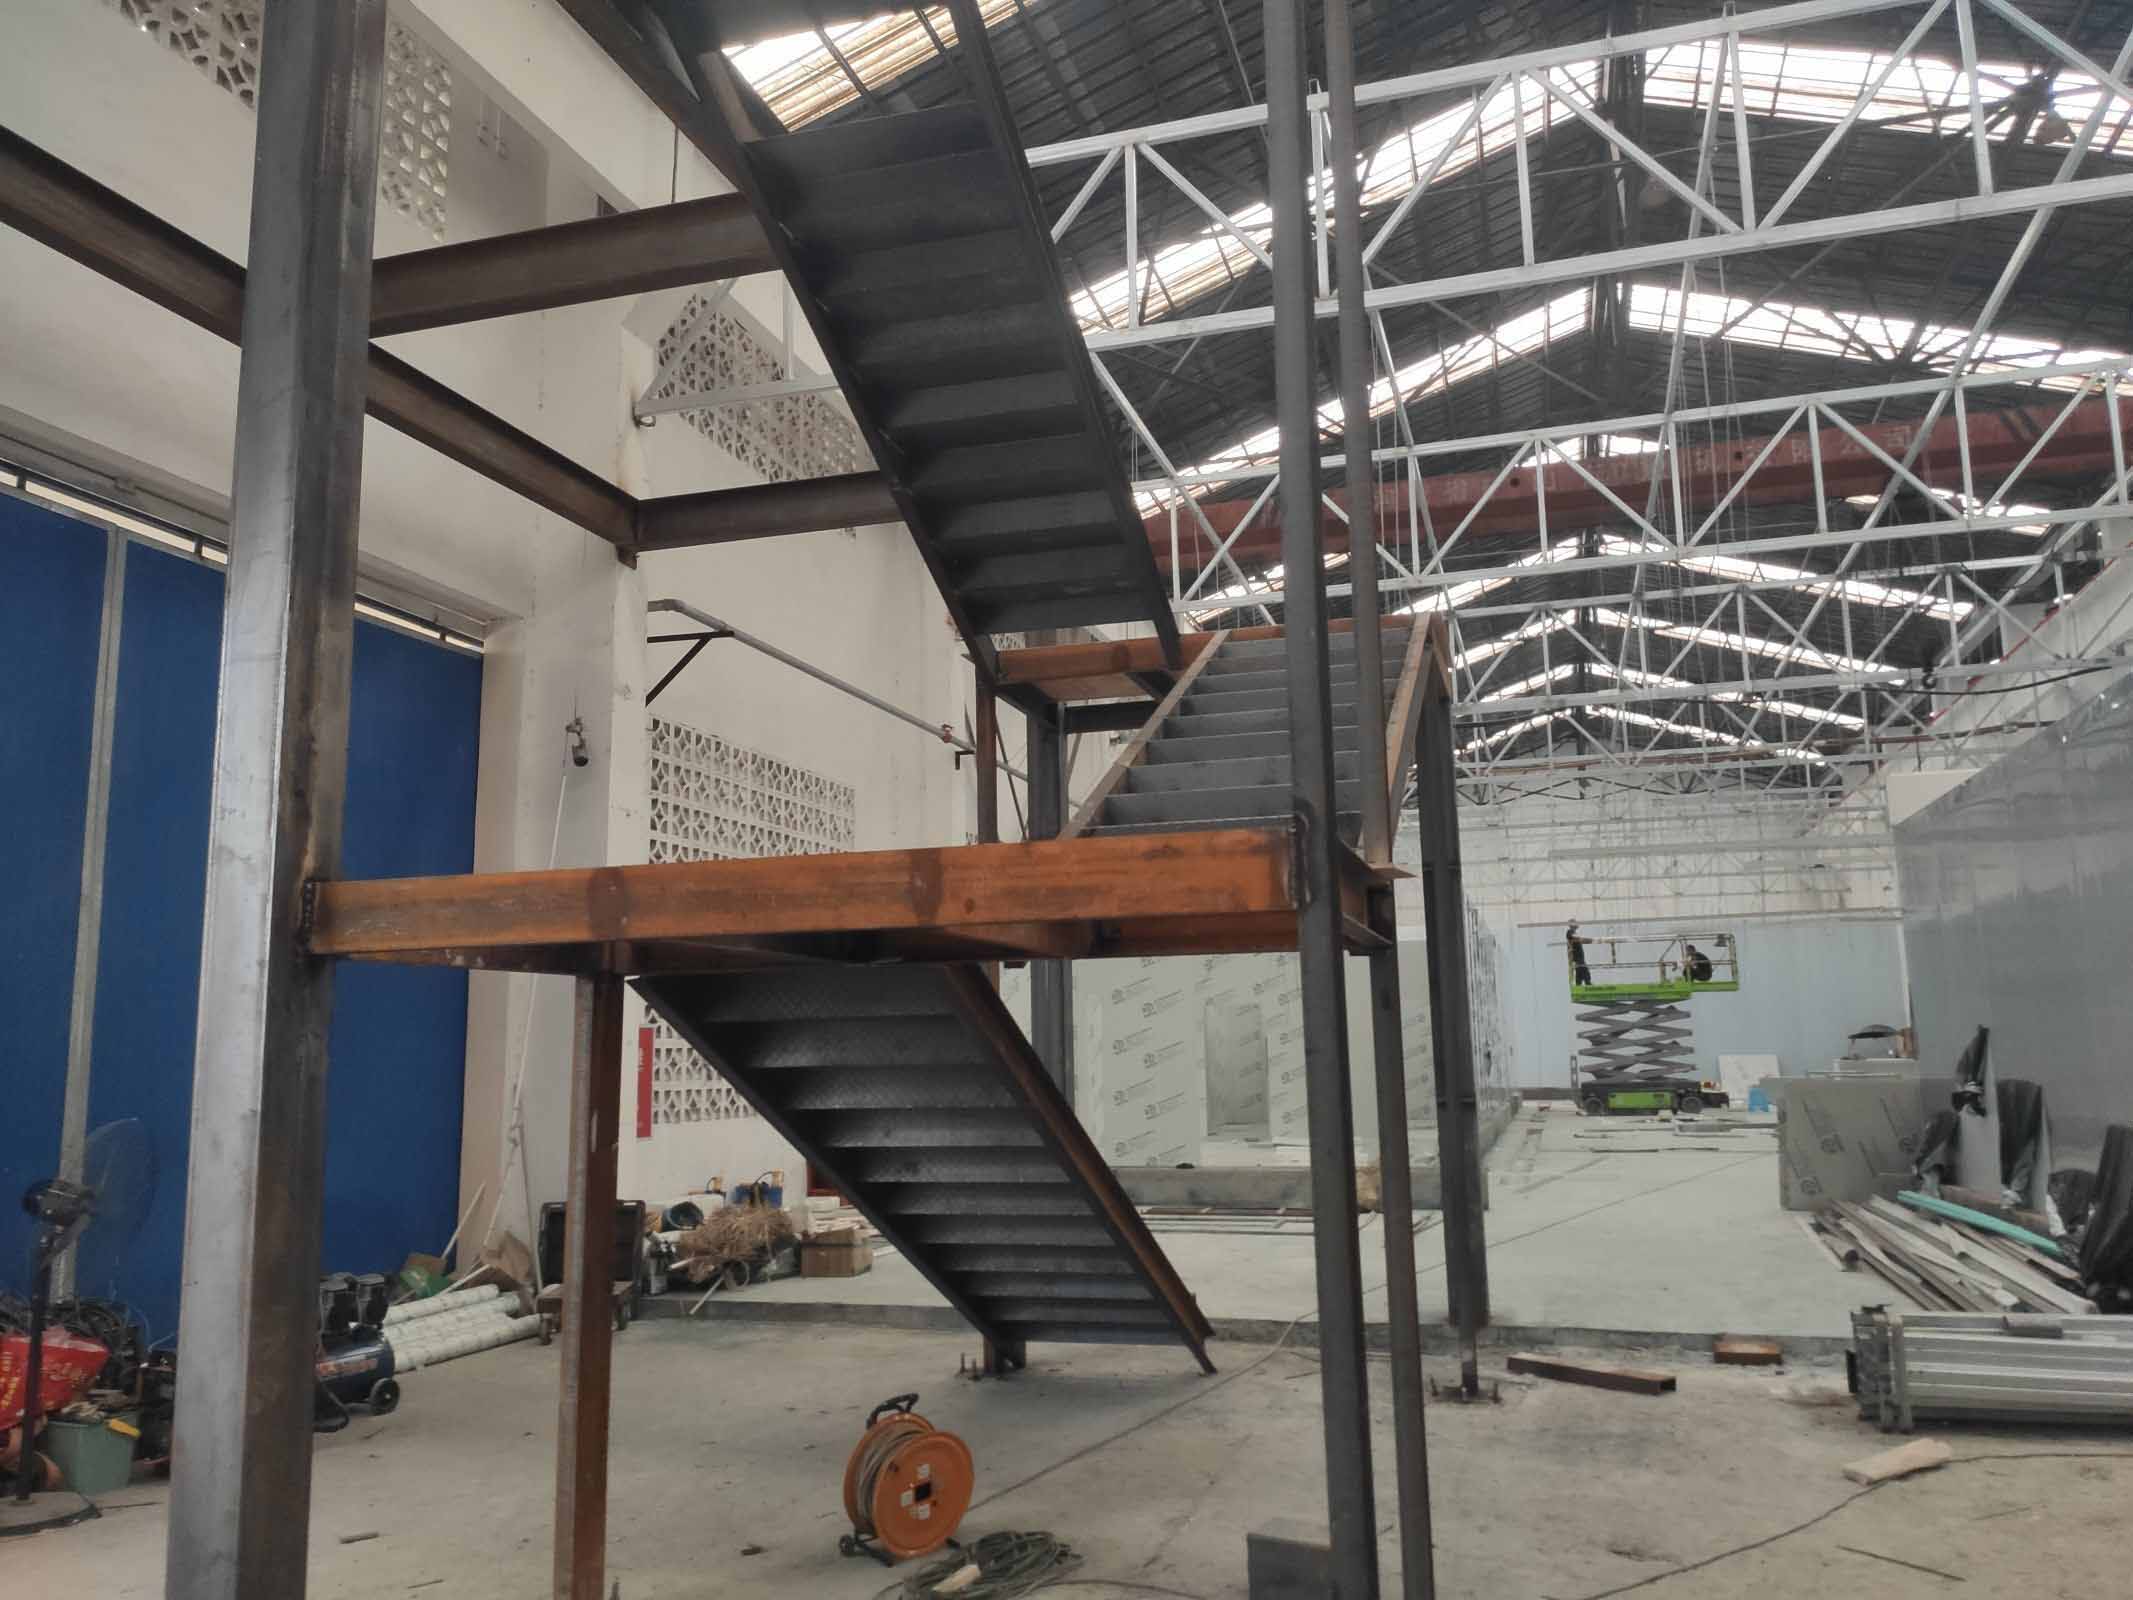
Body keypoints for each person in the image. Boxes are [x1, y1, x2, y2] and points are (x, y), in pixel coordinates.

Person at [1566, 920, 1592, 987]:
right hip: (1578, 959)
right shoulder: (1570, 932)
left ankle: (1579, 986)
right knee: (1585, 973)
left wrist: (1585, 940)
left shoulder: (1574, 933)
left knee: (1579, 973)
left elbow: (1577, 938)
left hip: (1579, 959)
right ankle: (1588, 986)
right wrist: (1583, 939)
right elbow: (1571, 936)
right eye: (1575, 924)